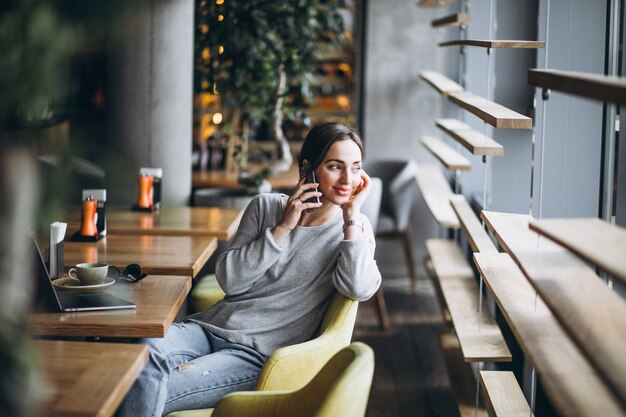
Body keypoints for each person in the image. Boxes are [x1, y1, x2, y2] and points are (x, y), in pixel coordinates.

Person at [116, 122, 381, 417]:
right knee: (141, 350)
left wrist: (352, 216)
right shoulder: (265, 207)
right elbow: (230, 280)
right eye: (335, 166)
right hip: (208, 329)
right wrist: (282, 228)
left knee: (139, 387)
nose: (348, 178)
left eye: (356, 168)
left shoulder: (353, 230)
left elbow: (357, 287)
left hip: (254, 355)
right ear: (309, 168)